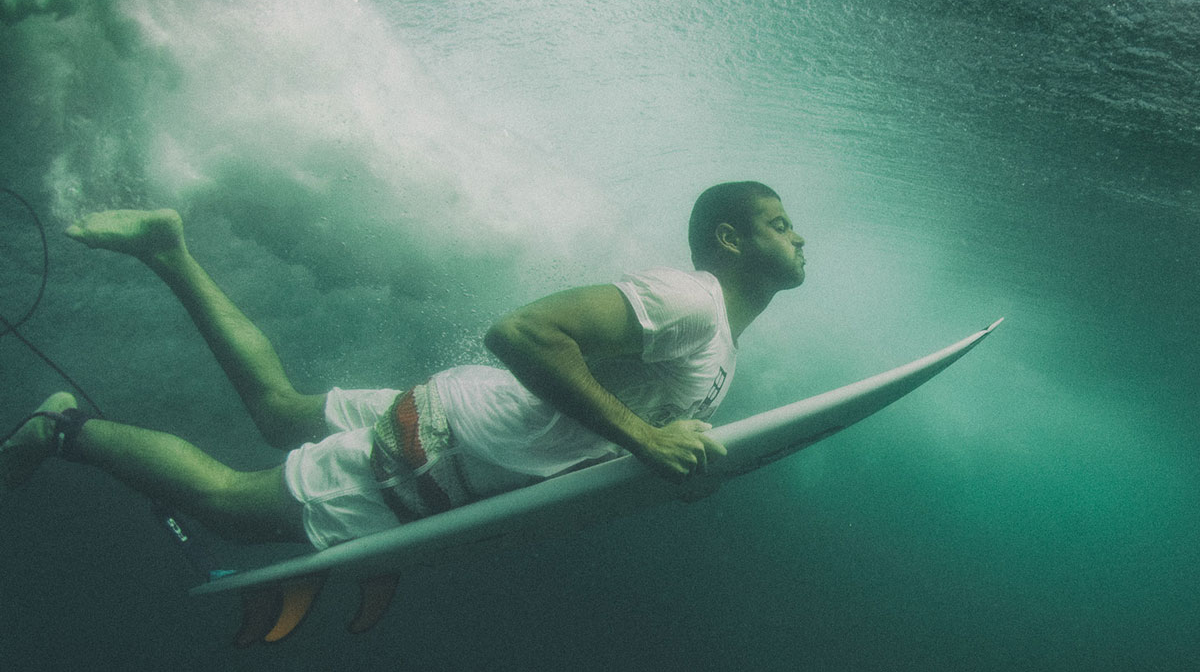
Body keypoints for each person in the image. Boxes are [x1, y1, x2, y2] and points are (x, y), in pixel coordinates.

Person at [1, 181, 805, 550]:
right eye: (779, 222)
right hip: (444, 450)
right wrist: (643, 439)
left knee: (280, 411)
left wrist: (658, 461)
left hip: (458, 420)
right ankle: (62, 426)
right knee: (228, 509)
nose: (799, 237)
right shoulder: (692, 302)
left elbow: (608, 435)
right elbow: (521, 334)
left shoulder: (719, 341)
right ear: (729, 239)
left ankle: (168, 250)